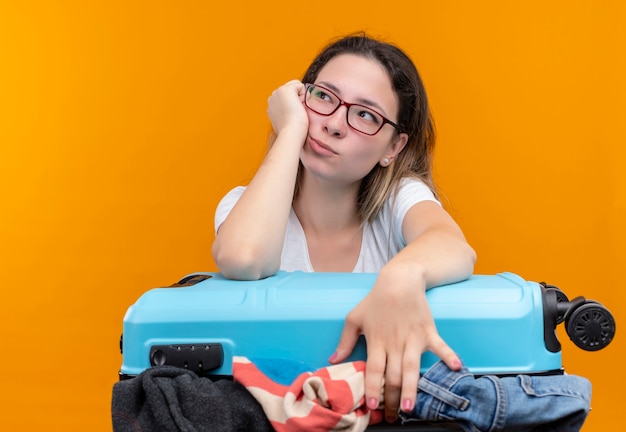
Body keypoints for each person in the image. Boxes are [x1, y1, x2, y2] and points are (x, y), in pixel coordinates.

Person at [212, 33, 476, 424]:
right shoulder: (246, 205)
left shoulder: (399, 200)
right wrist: (290, 132)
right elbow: (242, 257)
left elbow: (454, 246)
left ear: (393, 147)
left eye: (365, 115)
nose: (334, 125)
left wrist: (401, 275)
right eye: (323, 98)